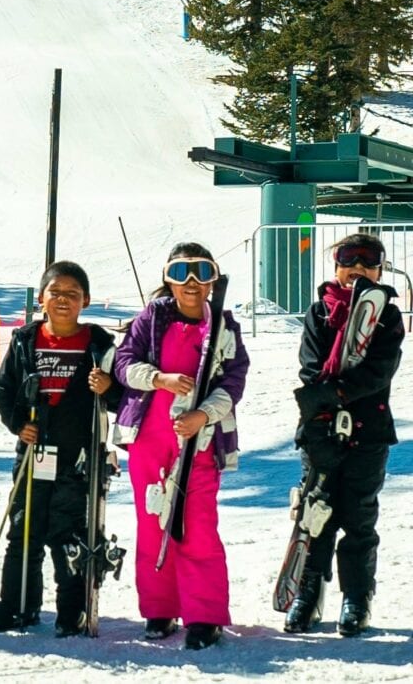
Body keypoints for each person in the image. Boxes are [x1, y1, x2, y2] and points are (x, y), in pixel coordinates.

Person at [113, 243, 248, 650]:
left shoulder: (224, 327)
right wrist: (159, 379)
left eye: (202, 272)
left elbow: (234, 380)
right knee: (154, 520)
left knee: (197, 525)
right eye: (183, 272)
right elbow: (123, 363)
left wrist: (203, 415)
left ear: (213, 280)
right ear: (168, 278)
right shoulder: (150, 320)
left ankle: (204, 615)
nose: (193, 283)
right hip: (151, 438)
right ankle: (160, 607)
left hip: (199, 440)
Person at [0, 261, 121, 637]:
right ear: (41, 297)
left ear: (85, 300)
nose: (62, 300)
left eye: (72, 294)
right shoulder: (26, 338)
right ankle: (17, 606)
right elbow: (3, 388)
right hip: (32, 450)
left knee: (69, 533)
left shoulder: (100, 344)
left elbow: (124, 397)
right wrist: (17, 423)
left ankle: (71, 611)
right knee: (24, 528)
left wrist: (108, 387)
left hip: (77, 456)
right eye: (55, 292)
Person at [284, 233, 404, 637]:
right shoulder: (319, 312)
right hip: (320, 429)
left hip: (368, 429)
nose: (357, 267)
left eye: (368, 262)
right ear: (335, 266)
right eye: (347, 258)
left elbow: (379, 371)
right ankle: (308, 592)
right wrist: (322, 399)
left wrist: (334, 393)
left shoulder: (387, 315)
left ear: (380, 270)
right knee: (315, 512)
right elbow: (310, 365)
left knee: (358, 515)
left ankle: (357, 597)